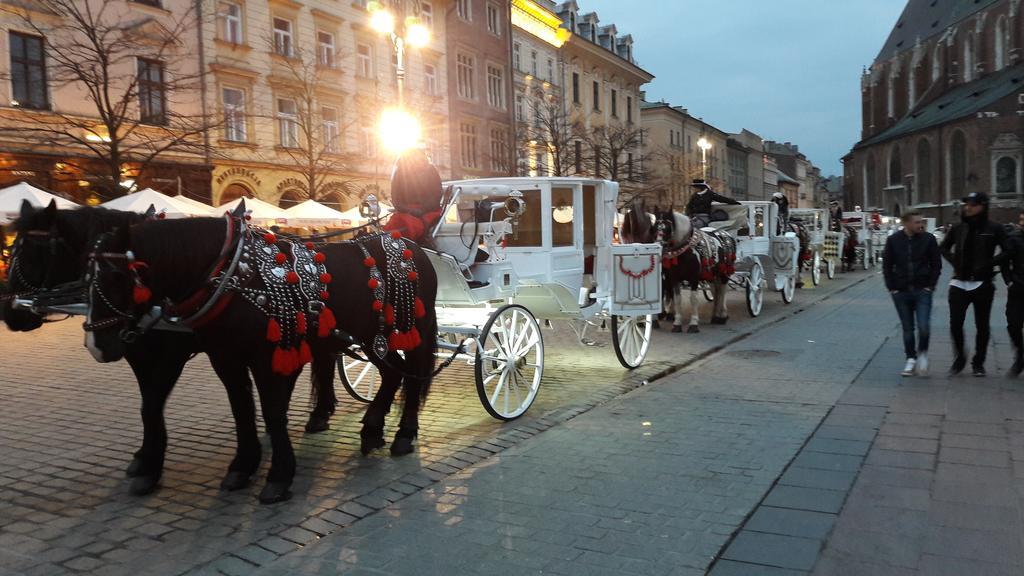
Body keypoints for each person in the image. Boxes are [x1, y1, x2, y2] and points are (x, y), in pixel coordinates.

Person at [940, 192, 1010, 376]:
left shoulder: (994, 228)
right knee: (955, 323)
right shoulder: (958, 228)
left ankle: (978, 362)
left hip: (982, 284)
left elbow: (1007, 251)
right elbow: (943, 247)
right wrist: (954, 260)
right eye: (966, 204)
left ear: (982, 206)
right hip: (958, 282)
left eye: (972, 204)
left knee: (982, 325)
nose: (967, 207)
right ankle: (960, 357)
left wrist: (989, 265)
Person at [883, 211, 941, 376]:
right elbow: (887, 265)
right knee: (908, 328)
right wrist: (891, 287)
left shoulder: (928, 239)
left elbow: (936, 263)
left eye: (921, 222)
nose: (920, 225)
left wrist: (931, 285)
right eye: (916, 222)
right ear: (906, 223)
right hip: (901, 291)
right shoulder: (893, 240)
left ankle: (922, 354)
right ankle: (910, 358)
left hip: (922, 290)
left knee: (924, 327)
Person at [1002, 210, 1024, 377]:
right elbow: (1005, 261)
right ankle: (1020, 354)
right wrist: (1009, 281)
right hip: (1017, 288)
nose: (1021, 223)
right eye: (1021, 220)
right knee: (1013, 325)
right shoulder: (1014, 239)